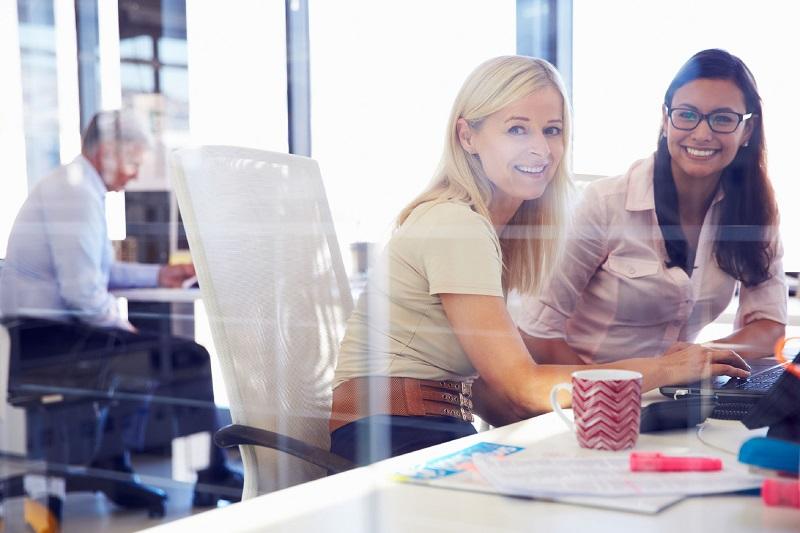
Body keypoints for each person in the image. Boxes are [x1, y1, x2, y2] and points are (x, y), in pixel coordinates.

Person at [328, 55, 751, 466]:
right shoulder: (457, 224)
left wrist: (594, 431)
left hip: (431, 424)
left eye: (552, 130)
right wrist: (664, 369)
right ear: (467, 136)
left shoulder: (493, 229)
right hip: (391, 432)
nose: (541, 148)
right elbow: (523, 385)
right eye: (517, 129)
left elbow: (496, 391)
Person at [0, 110, 242, 505]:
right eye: (133, 162)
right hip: (51, 341)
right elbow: (82, 295)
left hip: (46, 336)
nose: (134, 174)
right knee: (189, 357)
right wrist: (122, 327)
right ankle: (210, 476)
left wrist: (159, 275)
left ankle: (112, 464)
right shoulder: (76, 193)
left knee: (146, 356)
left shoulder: (75, 186)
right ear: (109, 152)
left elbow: (99, 272)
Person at [518, 49, 787, 367]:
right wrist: (615, 389)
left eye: (723, 119)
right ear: (665, 119)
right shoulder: (603, 204)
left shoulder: (755, 208)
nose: (702, 134)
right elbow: (536, 333)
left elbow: (769, 326)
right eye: (687, 115)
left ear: (747, 131)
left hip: (674, 391)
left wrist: (697, 357)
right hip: (579, 387)